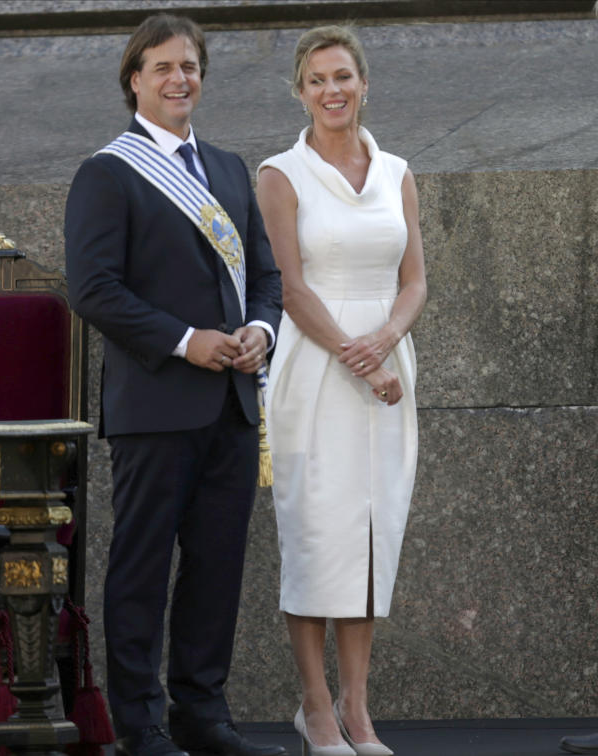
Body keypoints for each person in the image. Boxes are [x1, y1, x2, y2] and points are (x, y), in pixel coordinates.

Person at [64, 14, 284, 756]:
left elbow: (265, 276)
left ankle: (203, 714)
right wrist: (187, 342)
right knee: (144, 568)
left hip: (233, 401)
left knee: (216, 568)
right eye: (161, 67)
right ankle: (141, 722)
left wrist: (261, 331)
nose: (178, 78)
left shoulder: (227, 167)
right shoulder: (107, 172)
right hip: (156, 404)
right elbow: (93, 289)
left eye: (188, 66)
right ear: (135, 80)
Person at [256, 25, 427, 756]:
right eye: (318, 79)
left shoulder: (397, 171)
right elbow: (289, 288)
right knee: (317, 534)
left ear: (365, 84)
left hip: (389, 368)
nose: (333, 91)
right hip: (316, 368)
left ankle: (359, 712)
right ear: (300, 91)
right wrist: (364, 358)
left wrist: (388, 339)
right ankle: (315, 708)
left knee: (370, 534)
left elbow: (414, 279)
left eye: (344, 77)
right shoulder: (279, 173)